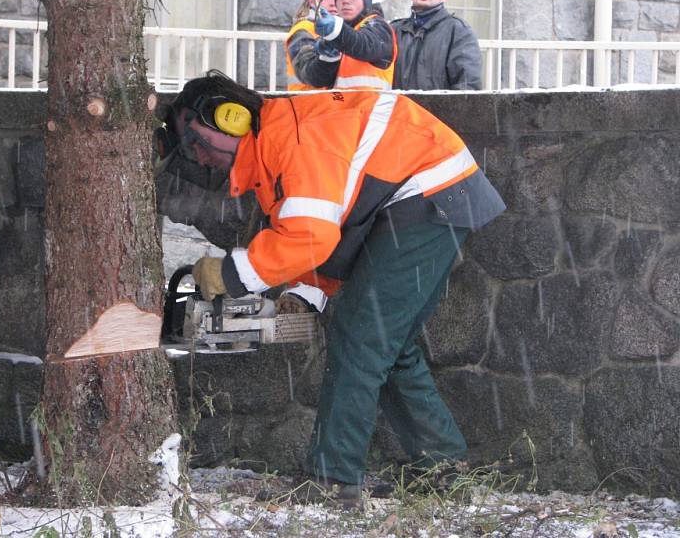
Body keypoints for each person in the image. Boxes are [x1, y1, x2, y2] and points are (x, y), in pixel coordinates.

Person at [156, 71, 505, 508]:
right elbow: (317, 233)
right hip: (419, 196)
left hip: (429, 190)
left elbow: (310, 237)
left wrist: (228, 276)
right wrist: (304, 295)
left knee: (361, 335)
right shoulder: (273, 151)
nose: (200, 158)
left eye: (197, 142)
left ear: (231, 118)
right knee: (387, 344)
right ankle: (443, 468)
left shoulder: (293, 143)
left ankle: (332, 480)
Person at [289, 0, 396, 91]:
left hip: (373, 110)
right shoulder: (335, 34)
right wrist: (327, 58)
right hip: (342, 109)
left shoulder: (378, 27)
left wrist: (336, 32)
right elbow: (317, 79)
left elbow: (365, 45)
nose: (345, 0)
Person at [391, 0, 482, 91]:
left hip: (436, 111)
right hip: (400, 110)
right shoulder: (396, 30)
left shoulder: (458, 32)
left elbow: (467, 86)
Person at [285, 0, 339, 91]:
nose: (333, 2)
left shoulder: (346, 30)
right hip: (307, 107)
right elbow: (309, 71)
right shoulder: (304, 30)